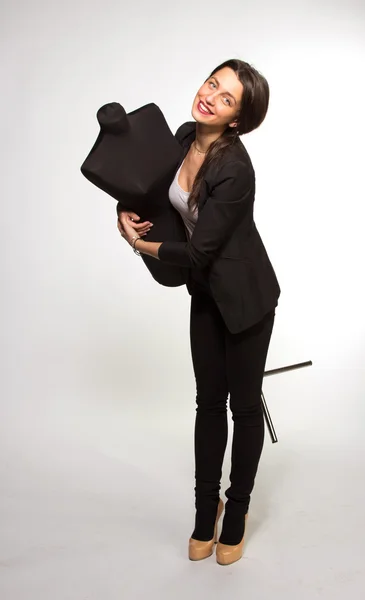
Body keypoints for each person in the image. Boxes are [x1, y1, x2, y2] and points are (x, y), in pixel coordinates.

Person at [117, 59, 281, 566]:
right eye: (213, 83)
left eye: (226, 97)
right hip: (207, 294)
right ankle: (203, 508)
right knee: (208, 402)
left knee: (243, 406)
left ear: (237, 118)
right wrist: (126, 210)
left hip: (247, 296)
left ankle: (237, 511)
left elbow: (199, 252)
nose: (210, 96)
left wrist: (137, 246)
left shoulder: (235, 168)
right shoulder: (186, 134)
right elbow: (149, 188)